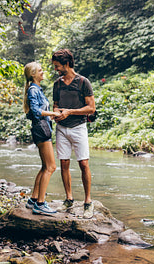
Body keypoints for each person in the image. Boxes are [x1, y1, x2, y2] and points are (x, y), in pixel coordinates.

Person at [52, 49, 96, 219]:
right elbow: (55, 105)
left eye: (57, 66)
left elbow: (91, 108)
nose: (56, 69)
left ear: (67, 64)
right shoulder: (57, 84)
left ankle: (87, 202)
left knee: (84, 164)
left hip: (79, 127)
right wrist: (57, 113)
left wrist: (69, 112)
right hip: (61, 128)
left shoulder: (83, 82)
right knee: (63, 164)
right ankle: (69, 199)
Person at [23, 62, 60, 215]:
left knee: (45, 167)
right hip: (41, 129)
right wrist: (53, 114)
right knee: (51, 167)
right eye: (40, 70)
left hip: (42, 128)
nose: (42, 72)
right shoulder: (33, 89)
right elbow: (36, 111)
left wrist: (54, 114)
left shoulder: (36, 89)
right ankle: (40, 204)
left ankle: (33, 199)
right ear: (33, 74)